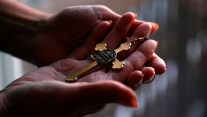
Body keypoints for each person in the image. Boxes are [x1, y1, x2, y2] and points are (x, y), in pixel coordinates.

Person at [0, 0, 166, 117]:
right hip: (100, 58)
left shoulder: (107, 54)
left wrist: (42, 30)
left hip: (100, 58)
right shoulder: (110, 57)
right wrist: (7, 107)